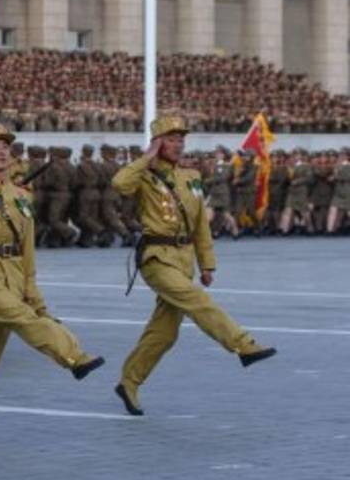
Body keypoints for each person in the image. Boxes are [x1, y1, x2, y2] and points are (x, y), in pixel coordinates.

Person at [0, 123, 105, 438]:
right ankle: (73, 356)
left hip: (13, 274)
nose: (1, 152)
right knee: (20, 317)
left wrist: (33, 292)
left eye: (5, 147)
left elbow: (27, 248)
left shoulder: (20, 195)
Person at [111, 116, 276, 417]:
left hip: (184, 258)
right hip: (157, 258)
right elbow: (120, 184)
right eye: (171, 139)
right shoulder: (144, 175)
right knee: (196, 299)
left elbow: (200, 224)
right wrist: (147, 157)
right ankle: (243, 345)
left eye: (181, 140)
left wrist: (207, 263)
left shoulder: (191, 177)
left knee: (164, 333)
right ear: (158, 142)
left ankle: (128, 382)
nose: (178, 145)